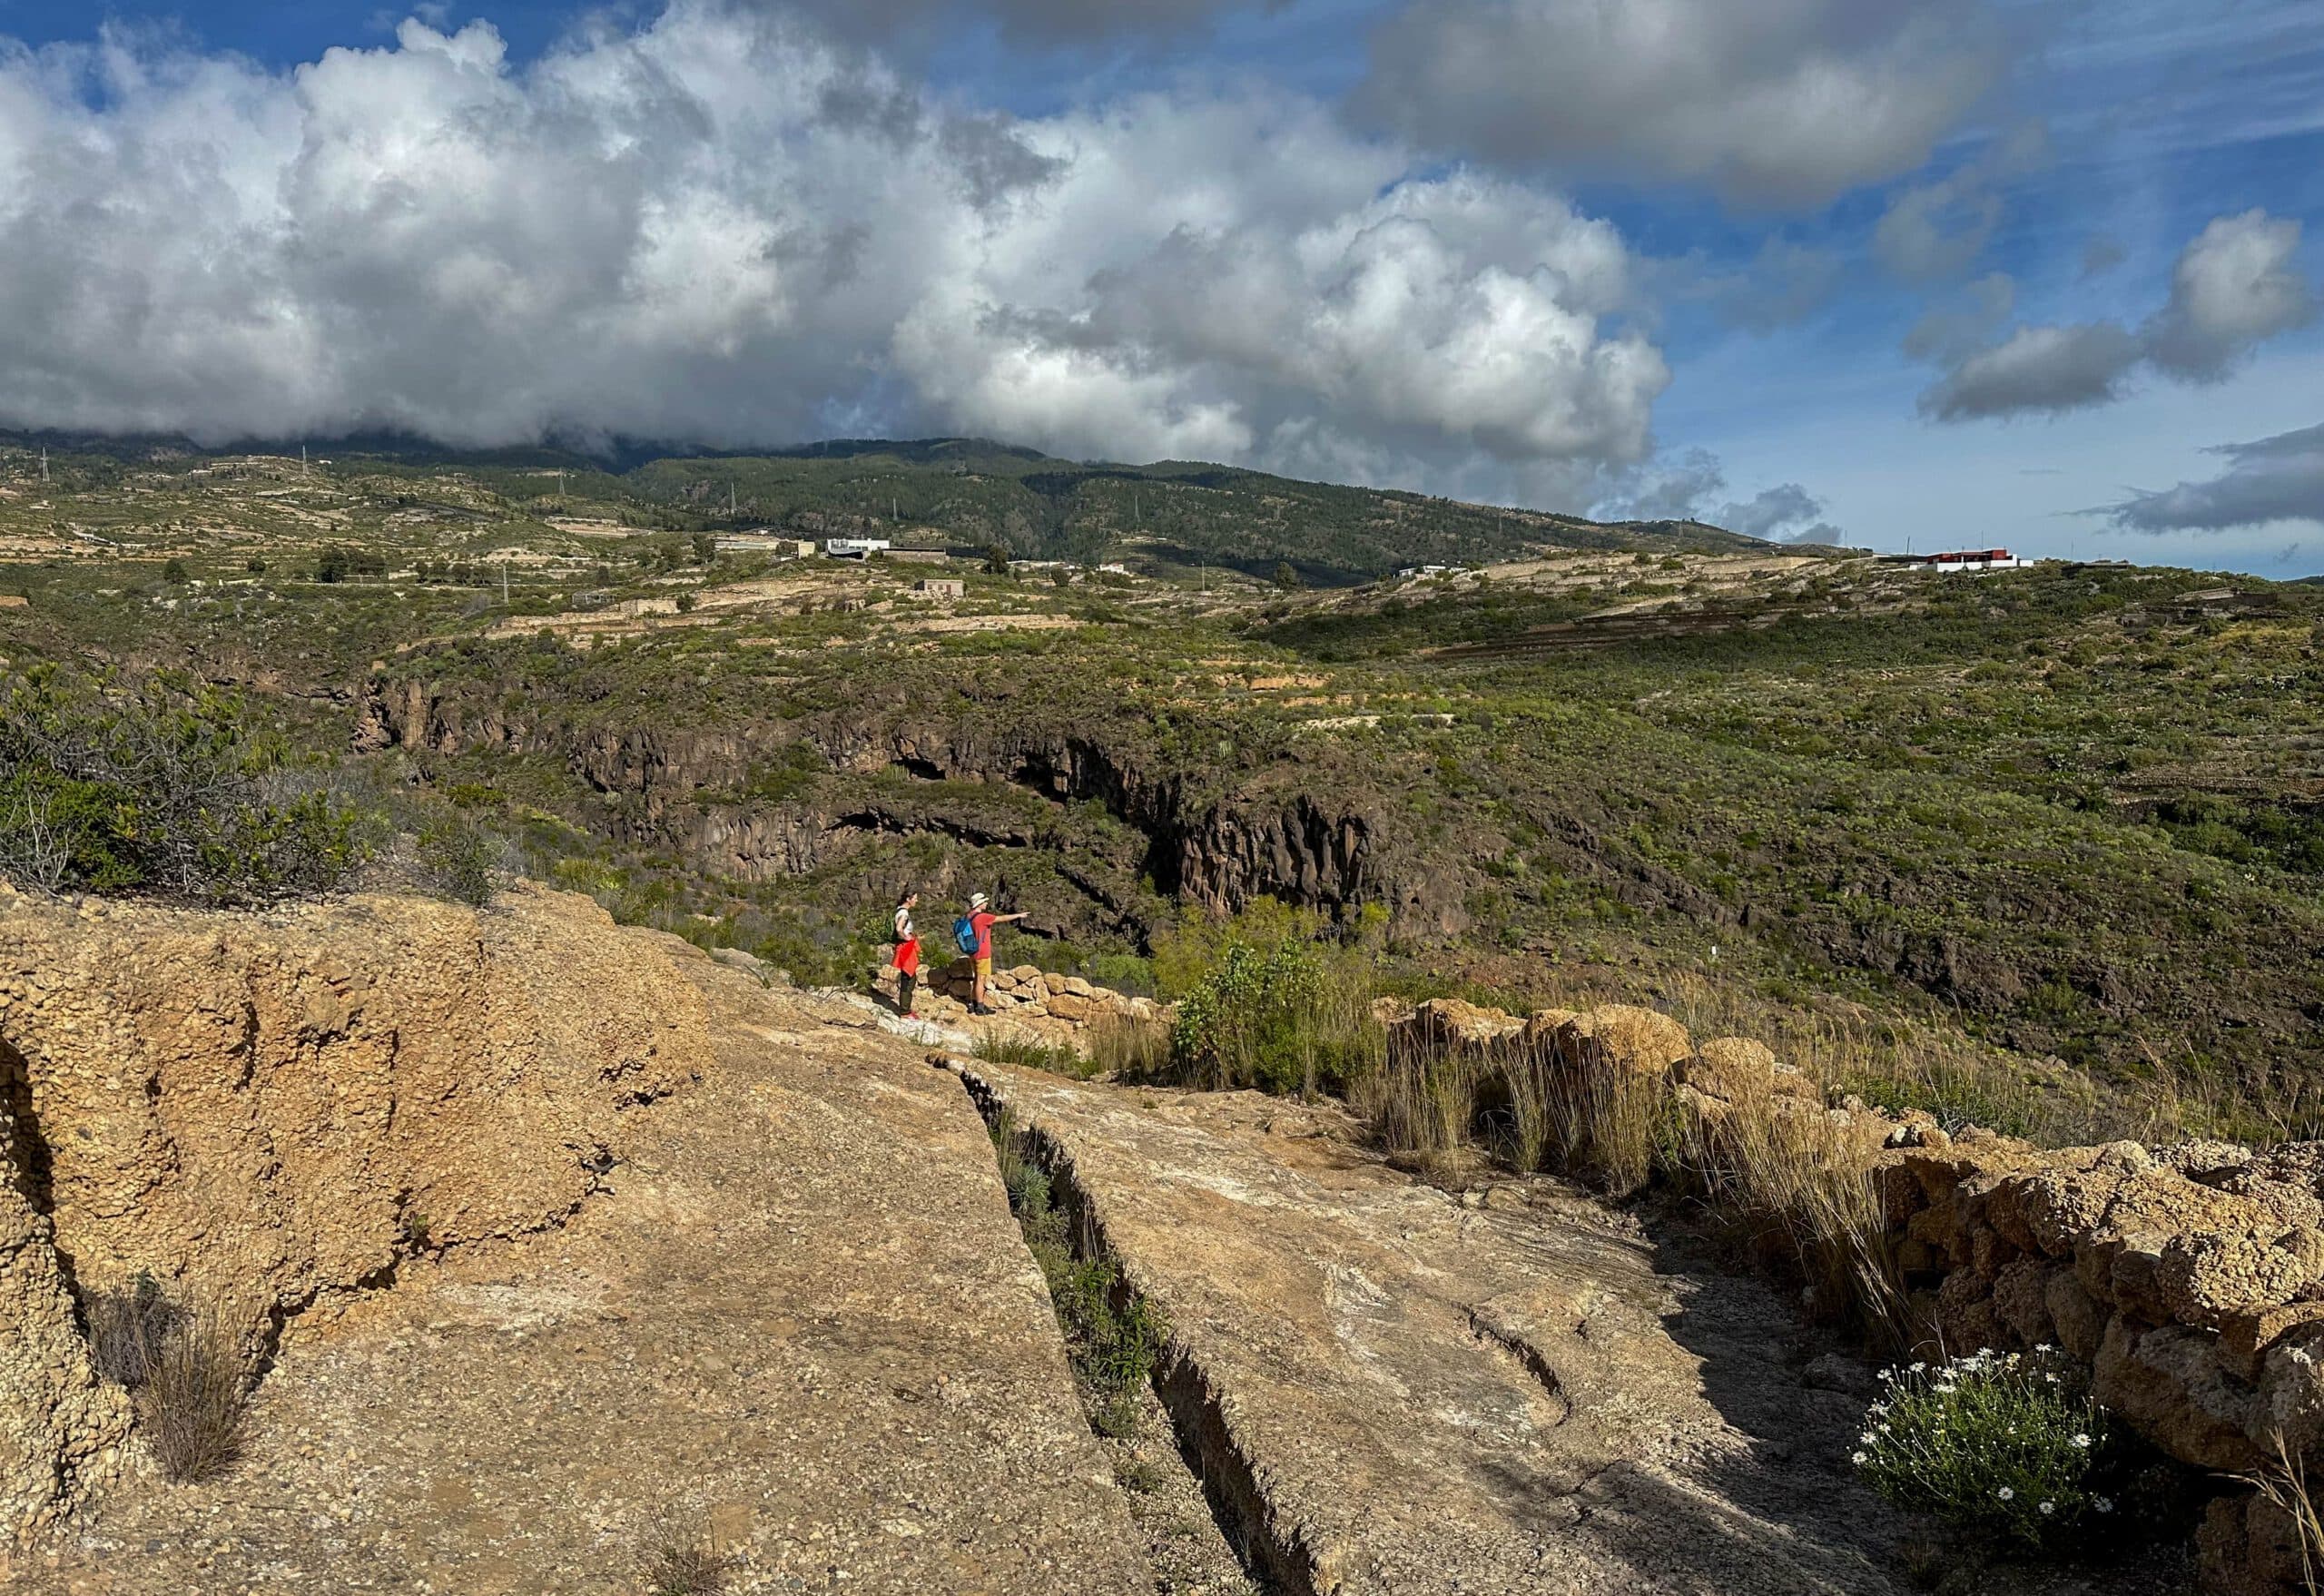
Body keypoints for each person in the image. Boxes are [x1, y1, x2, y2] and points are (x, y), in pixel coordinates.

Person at [966, 891, 1027, 1015]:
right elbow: (1002, 918)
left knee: (976, 978)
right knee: (981, 980)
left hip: (972, 952)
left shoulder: (969, 916)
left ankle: (973, 1004)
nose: (987, 903)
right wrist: (1019, 915)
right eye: (984, 902)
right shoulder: (983, 917)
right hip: (982, 952)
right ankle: (980, 1007)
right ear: (980, 904)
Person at [891, 891, 922, 1020]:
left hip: (903, 947)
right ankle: (905, 1012)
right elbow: (899, 928)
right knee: (909, 978)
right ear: (908, 899)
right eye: (915, 898)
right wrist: (906, 937)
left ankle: (905, 1008)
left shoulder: (899, 910)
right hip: (906, 948)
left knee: (908, 977)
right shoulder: (904, 913)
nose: (916, 900)